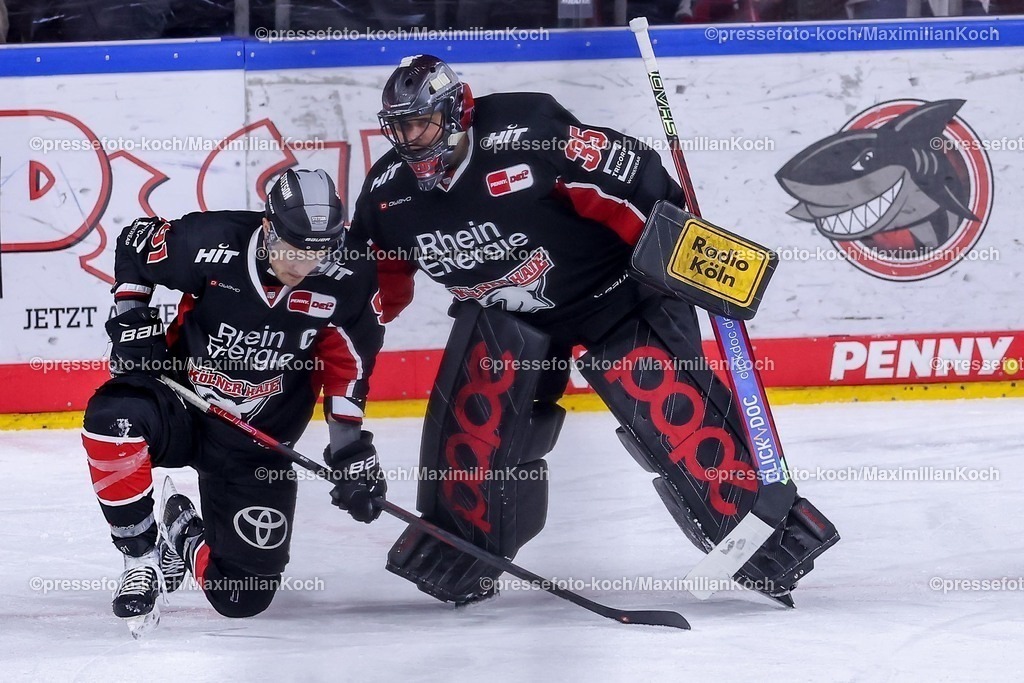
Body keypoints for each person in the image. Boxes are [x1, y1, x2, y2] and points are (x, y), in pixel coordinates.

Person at [349, 55, 839, 606]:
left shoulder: (529, 135)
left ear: (458, 113)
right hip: (508, 316)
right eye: (399, 126)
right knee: (475, 426)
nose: (410, 139)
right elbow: (370, 283)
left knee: (670, 410)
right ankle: (462, 546)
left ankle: (765, 531)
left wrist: (687, 254)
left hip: (614, 297)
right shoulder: (388, 193)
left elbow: (638, 178)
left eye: (422, 123)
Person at [82, 169, 386, 634]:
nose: (303, 265)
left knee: (241, 598)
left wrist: (350, 451)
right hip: (181, 405)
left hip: (255, 443)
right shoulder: (211, 240)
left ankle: (182, 532)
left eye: (318, 253)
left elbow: (349, 363)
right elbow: (135, 245)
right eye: (293, 250)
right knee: (112, 419)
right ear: (268, 228)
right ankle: (141, 557)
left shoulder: (350, 275)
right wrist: (132, 316)